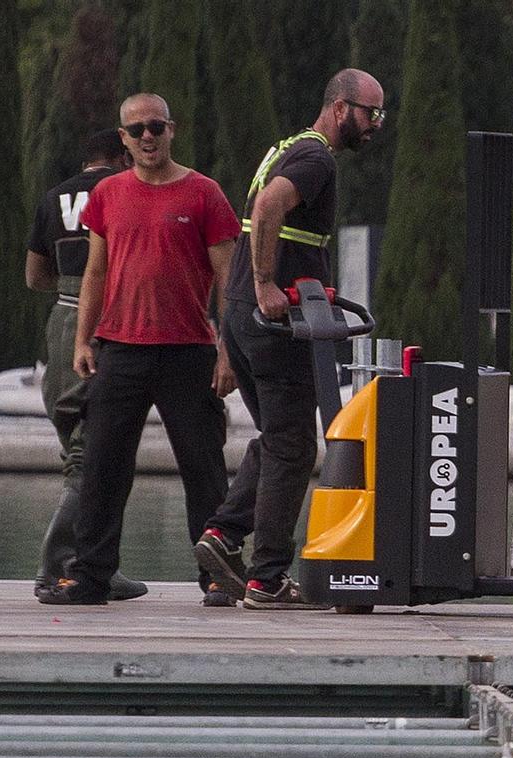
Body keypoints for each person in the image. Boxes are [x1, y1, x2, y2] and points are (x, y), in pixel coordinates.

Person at [194, 68, 386, 611]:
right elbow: (267, 207)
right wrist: (264, 284)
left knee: (281, 438)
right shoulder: (316, 157)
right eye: (371, 112)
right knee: (295, 445)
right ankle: (268, 578)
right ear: (341, 107)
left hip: (243, 318)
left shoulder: (288, 148)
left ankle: (225, 534)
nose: (376, 124)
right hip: (273, 322)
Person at [41, 93, 241, 606]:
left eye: (155, 127)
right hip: (120, 352)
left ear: (171, 129)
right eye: (136, 130)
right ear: (123, 139)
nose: (147, 137)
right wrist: (83, 339)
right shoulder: (107, 193)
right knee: (104, 468)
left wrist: (228, 353)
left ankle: (217, 575)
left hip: (188, 351)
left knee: (204, 468)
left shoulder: (205, 193)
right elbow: (96, 272)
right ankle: (91, 578)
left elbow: (229, 282)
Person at [26, 128, 146, 602]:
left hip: (62, 319)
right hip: (105, 321)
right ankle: (58, 568)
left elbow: (35, 276)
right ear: (120, 157)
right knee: (93, 457)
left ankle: (96, 562)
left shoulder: (53, 199)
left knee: (84, 451)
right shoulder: (124, 191)